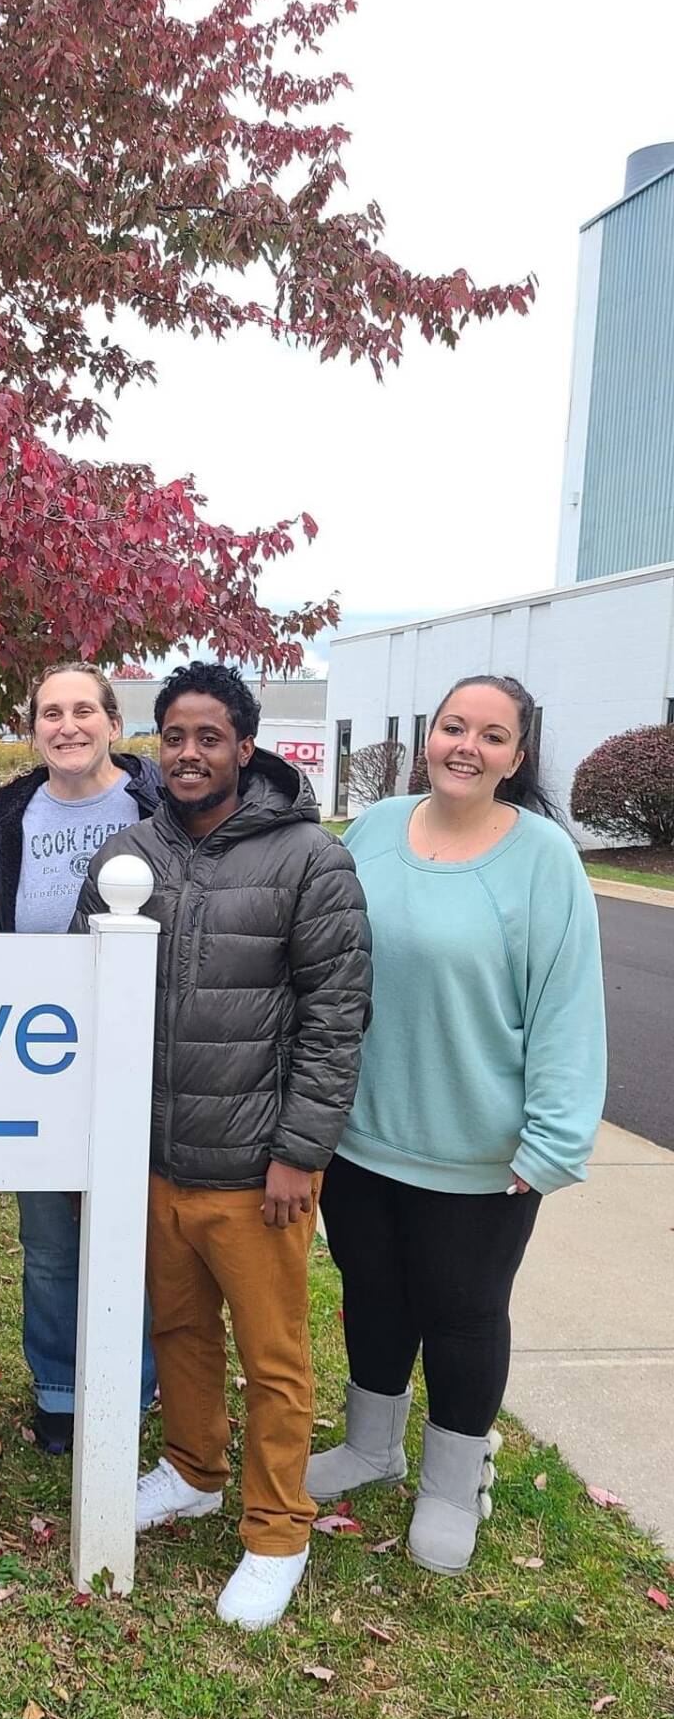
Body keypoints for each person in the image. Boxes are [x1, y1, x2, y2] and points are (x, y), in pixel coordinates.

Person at [74, 663, 371, 1631]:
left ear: (245, 746)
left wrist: (301, 1147)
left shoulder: (307, 860)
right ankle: (195, 1471)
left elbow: (335, 1018)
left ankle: (278, 1531)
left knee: (275, 1359)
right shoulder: (128, 854)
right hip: (152, 1160)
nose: (190, 753)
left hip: (257, 1169)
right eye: (175, 735)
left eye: (210, 736)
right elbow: (83, 1004)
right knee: (180, 1333)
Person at [306, 675, 605, 1575]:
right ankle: (372, 1447)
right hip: (363, 1135)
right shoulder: (375, 833)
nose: (466, 746)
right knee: (375, 1291)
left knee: (465, 1315)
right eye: (452, 727)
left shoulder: (544, 859)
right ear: (427, 737)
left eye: (492, 734)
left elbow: (567, 1009)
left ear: (518, 755)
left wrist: (553, 1141)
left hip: (481, 1152)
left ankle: (450, 1481)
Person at [0, 662, 160, 1452]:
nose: (68, 725)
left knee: (133, 1232)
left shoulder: (157, 806)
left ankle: (137, 1382)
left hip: (141, 1054)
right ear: (32, 727)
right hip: (37, 1061)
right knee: (49, 1240)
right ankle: (58, 1388)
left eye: (85, 710)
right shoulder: (5, 817)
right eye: (51, 712)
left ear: (114, 722)